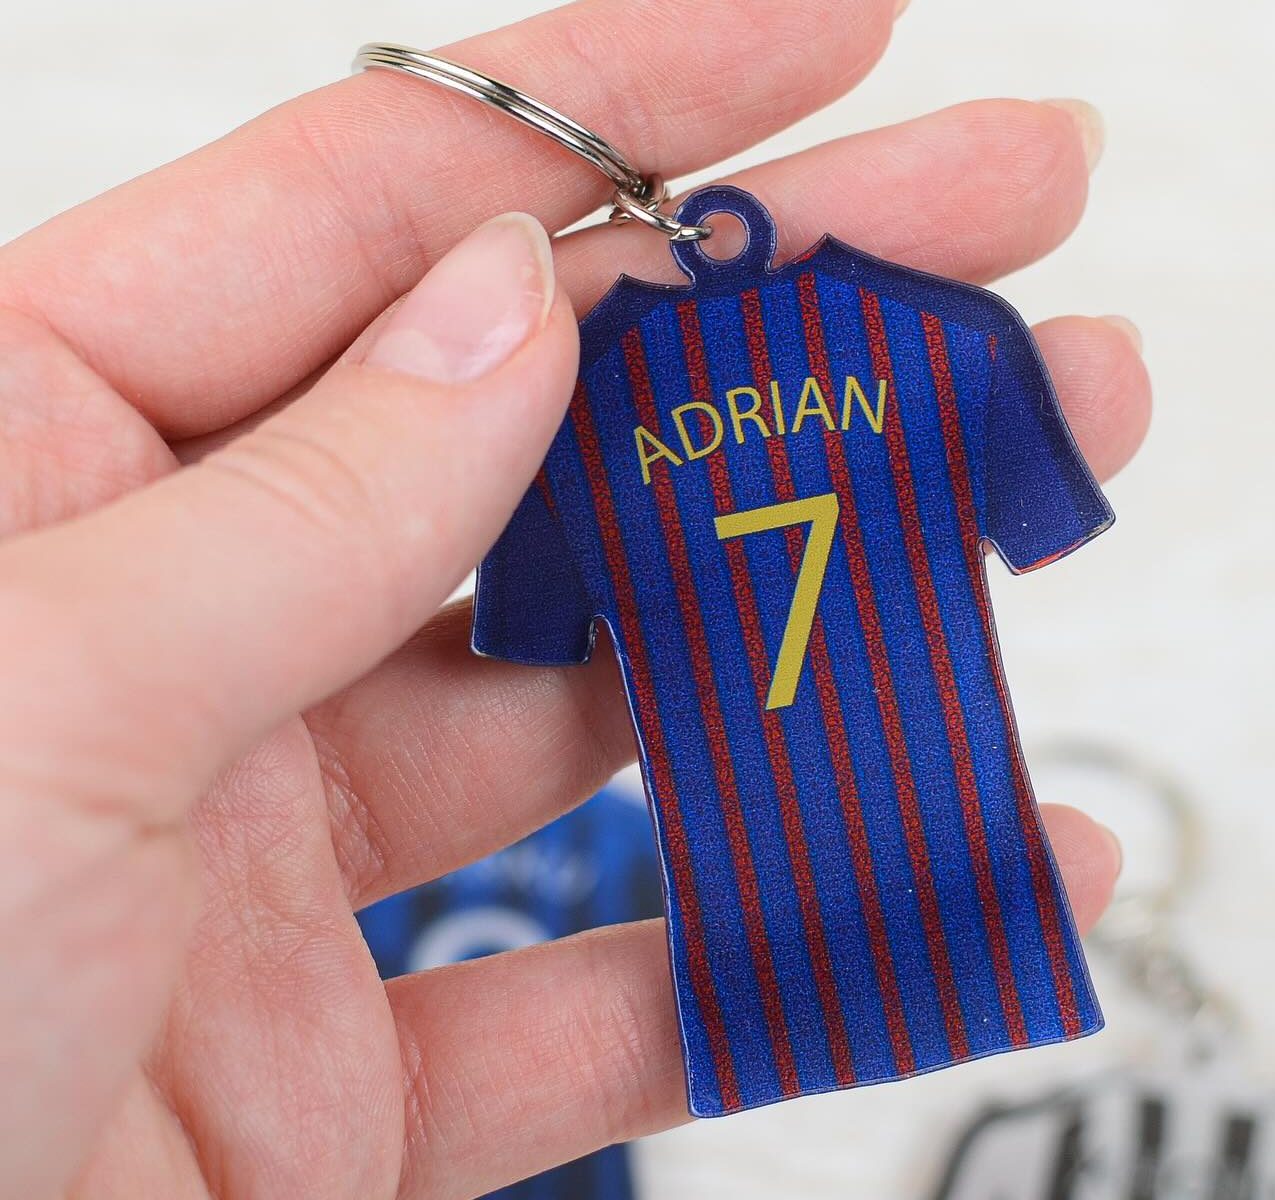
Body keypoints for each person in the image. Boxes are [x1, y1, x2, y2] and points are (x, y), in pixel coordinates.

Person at [0, 0, 1151, 1195]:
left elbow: (534, 639)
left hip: (747, 929)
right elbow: (1050, 525)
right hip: (964, 886)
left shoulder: (581, 399)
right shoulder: (942, 333)